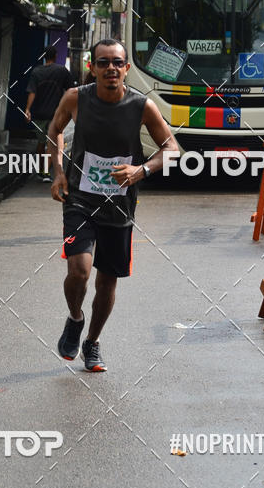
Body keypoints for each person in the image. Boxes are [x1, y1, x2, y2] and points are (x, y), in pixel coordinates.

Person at [47, 38, 178, 372]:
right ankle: (75, 318)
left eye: (117, 63)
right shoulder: (76, 98)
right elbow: (55, 130)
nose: (110, 69)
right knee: (79, 271)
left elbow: (172, 148)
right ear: (92, 67)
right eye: (103, 62)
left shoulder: (141, 106)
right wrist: (59, 172)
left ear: (126, 69)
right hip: (79, 199)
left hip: (119, 206)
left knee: (108, 280)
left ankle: (92, 342)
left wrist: (141, 169)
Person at [25, 46, 73, 180]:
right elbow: (71, 91)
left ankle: (41, 169)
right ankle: (46, 171)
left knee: (41, 143)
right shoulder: (62, 71)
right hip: (56, 115)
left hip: (39, 113)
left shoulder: (36, 72)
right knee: (54, 143)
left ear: (44, 56)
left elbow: (32, 92)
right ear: (56, 56)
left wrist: (27, 109)